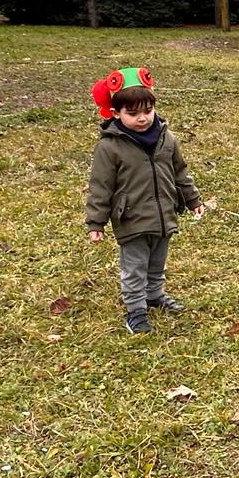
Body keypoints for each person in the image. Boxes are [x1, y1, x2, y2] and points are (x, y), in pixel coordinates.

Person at [84, 67, 204, 336]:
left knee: (157, 262)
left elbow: (179, 172)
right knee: (134, 267)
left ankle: (154, 296)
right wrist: (96, 222)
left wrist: (192, 199)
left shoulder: (166, 137)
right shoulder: (109, 146)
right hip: (132, 218)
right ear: (116, 113)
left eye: (147, 111)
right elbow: (100, 186)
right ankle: (136, 310)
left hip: (164, 214)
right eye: (133, 113)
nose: (142, 118)